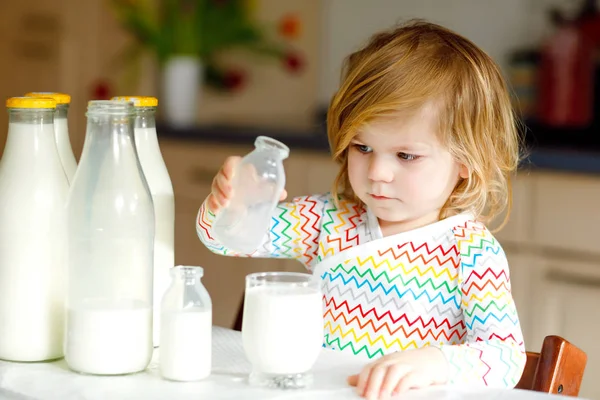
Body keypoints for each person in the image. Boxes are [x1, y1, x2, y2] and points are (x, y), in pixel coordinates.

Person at [197, 19, 526, 400]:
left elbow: (504, 358)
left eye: (406, 155)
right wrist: (235, 204)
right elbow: (224, 240)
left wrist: (435, 362)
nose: (378, 173)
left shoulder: (471, 252)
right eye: (362, 147)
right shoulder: (327, 219)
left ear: (468, 161)